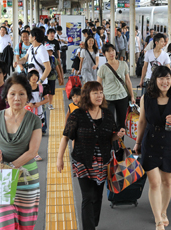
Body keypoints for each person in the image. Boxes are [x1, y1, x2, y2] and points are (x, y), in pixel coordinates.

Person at [57, 81, 125, 230]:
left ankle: (93, 222)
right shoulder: (77, 115)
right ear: (87, 95)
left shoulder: (107, 114)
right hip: (83, 161)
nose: (99, 95)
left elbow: (111, 136)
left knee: (98, 196)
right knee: (88, 197)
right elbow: (66, 136)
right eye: (95, 93)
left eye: (100, 92)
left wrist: (118, 135)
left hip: (103, 162)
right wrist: (59, 158)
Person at [134, 66, 171, 230]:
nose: (165, 82)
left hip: (169, 144)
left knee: (167, 182)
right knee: (155, 182)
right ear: (155, 80)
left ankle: (163, 211)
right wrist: (137, 143)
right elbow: (142, 121)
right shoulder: (146, 98)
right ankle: (158, 220)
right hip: (150, 142)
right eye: (161, 78)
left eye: (167, 78)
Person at [0, 73, 42, 230]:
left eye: (22, 94)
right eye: (12, 94)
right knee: (6, 226)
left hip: (27, 180)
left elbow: (32, 152)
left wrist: (10, 167)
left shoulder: (34, 120)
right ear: (6, 96)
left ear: (27, 96)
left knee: (25, 227)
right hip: (1, 180)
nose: (17, 98)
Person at [97, 43, 135, 129]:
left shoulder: (123, 64)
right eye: (108, 51)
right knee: (109, 122)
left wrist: (132, 96)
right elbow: (98, 85)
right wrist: (98, 98)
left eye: (112, 50)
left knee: (121, 123)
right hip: (108, 98)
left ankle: (120, 142)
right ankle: (111, 142)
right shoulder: (103, 68)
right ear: (104, 54)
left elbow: (128, 81)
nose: (111, 53)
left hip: (122, 97)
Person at [26, 69, 49, 161]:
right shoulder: (25, 88)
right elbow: (21, 100)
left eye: (36, 75)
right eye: (32, 76)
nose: (34, 77)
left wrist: (39, 103)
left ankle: (34, 152)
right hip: (27, 113)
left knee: (36, 133)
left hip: (38, 113)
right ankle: (32, 151)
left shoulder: (41, 87)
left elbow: (47, 99)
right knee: (29, 133)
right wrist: (28, 104)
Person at [45, 45, 62, 110]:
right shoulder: (42, 58)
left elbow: (57, 68)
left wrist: (60, 77)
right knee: (43, 91)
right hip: (44, 78)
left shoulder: (53, 58)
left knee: (51, 92)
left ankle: (50, 104)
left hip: (52, 77)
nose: (49, 53)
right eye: (48, 51)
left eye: (50, 51)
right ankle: (43, 103)